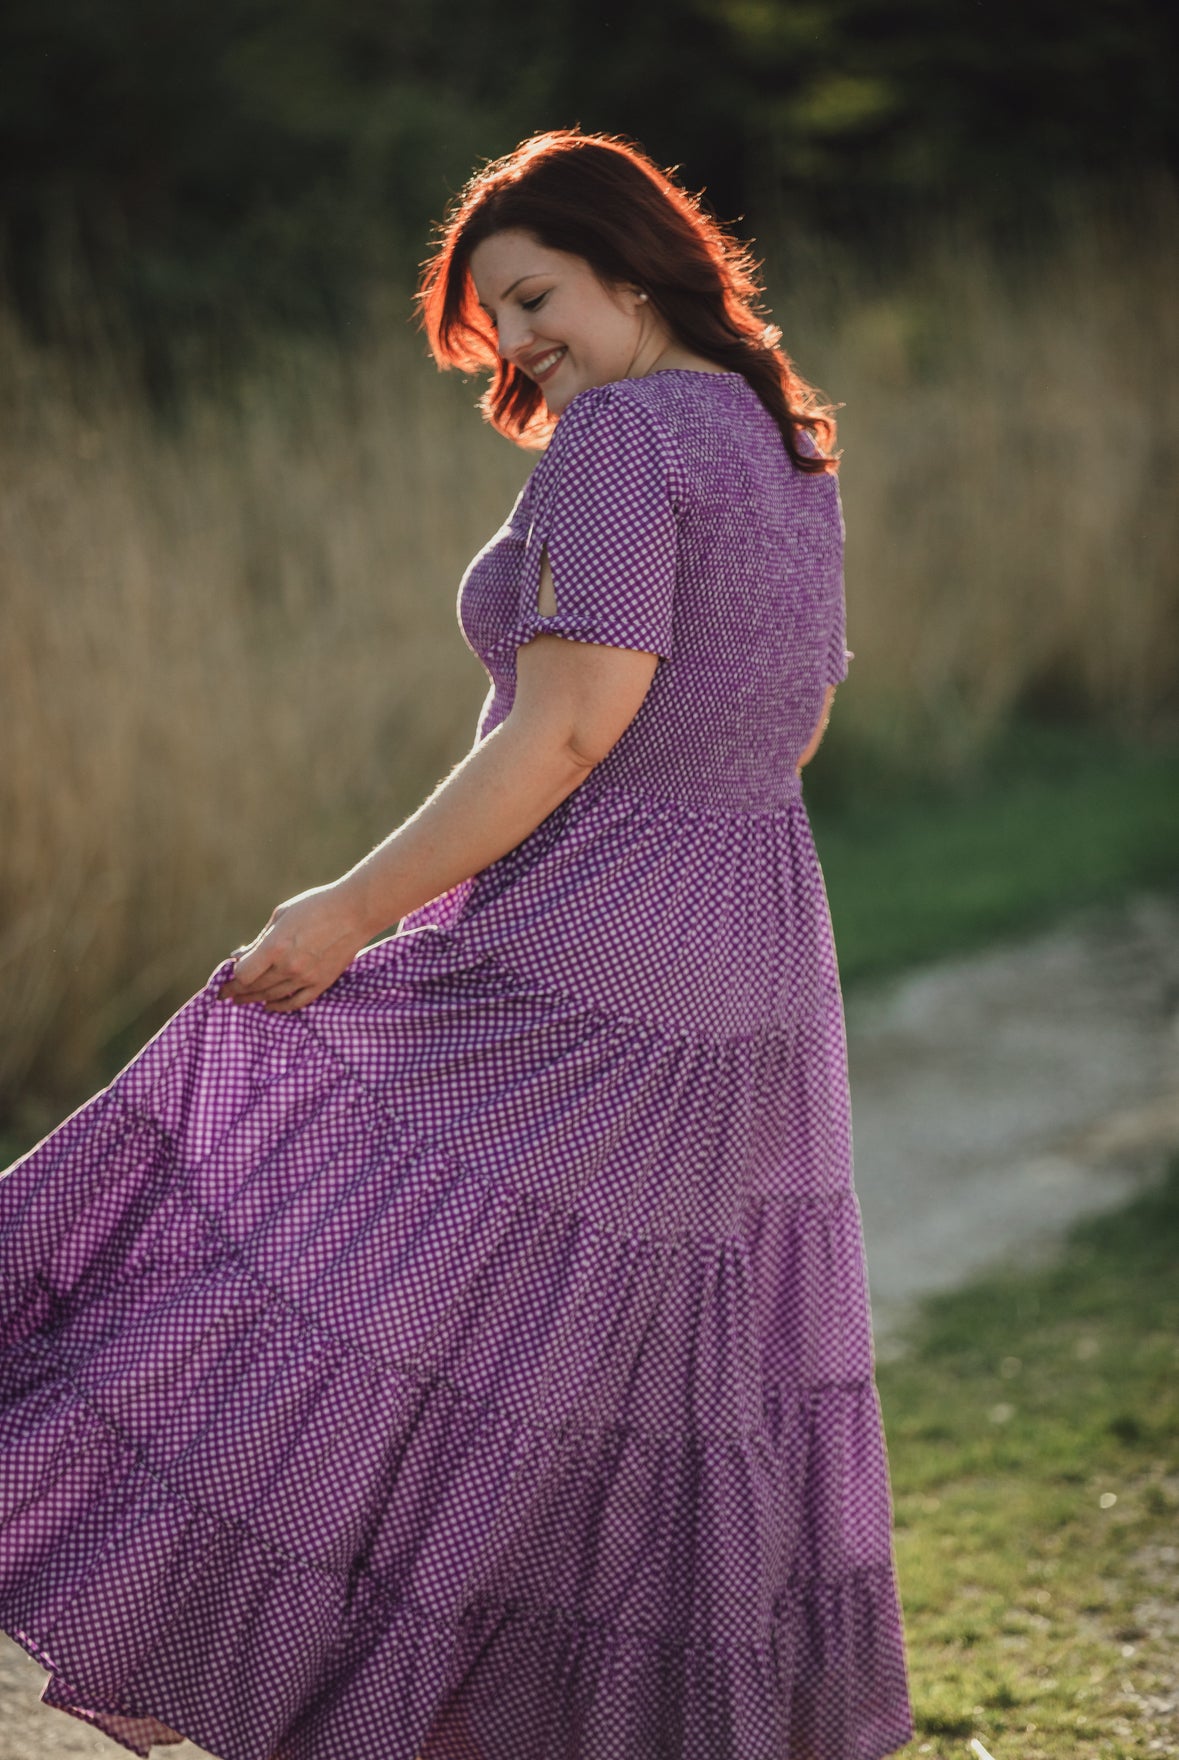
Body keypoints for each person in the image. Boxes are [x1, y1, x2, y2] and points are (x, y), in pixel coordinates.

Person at [0, 127, 913, 1760]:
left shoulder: (624, 446)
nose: (523, 344)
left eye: (536, 295)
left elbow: (565, 735)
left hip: (602, 944)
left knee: (333, 1279)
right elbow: (800, 714)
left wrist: (349, 908)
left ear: (633, 264)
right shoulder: (783, 441)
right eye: (499, 323)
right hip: (752, 941)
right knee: (600, 1363)